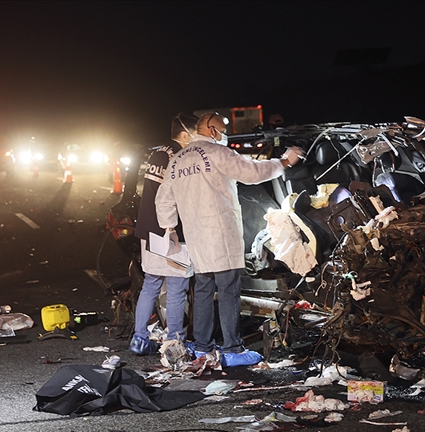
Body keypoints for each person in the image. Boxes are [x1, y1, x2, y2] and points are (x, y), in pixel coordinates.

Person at [155, 112, 304, 366]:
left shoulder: (178, 160)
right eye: (223, 129)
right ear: (212, 130)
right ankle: (233, 349)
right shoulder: (217, 153)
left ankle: (202, 347)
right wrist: (284, 162)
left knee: (203, 290)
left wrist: (169, 228)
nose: (224, 134)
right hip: (220, 232)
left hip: (197, 237)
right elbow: (251, 172)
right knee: (228, 291)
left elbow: (164, 199)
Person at [128, 113, 199, 355]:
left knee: (151, 283)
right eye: (195, 133)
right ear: (184, 134)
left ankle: (139, 338)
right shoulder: (180, 157)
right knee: (178, 285)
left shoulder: (158, 153)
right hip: (170, 231)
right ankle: (174, 340)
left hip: (148, 230)